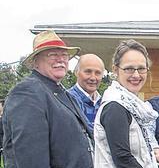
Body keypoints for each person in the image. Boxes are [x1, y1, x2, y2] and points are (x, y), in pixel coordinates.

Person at [2, 30, 93, 168]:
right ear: (35, 62)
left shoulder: (61, 93)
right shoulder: (27, 93)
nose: (61, 59)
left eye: (64, 55)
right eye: (52, 55)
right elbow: (31, 160)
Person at [94, 39, 159, 167]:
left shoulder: (133, 106)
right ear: (115, 70)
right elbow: (122, 158)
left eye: (141, 69)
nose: (136, 75)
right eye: (129, 69)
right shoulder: (115, 107)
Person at [68, 53, 105, 132]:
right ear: (76, 72)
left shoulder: (104, 103)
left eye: (98, 73)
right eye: (88, 72)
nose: (93, 78)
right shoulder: (68, 100)